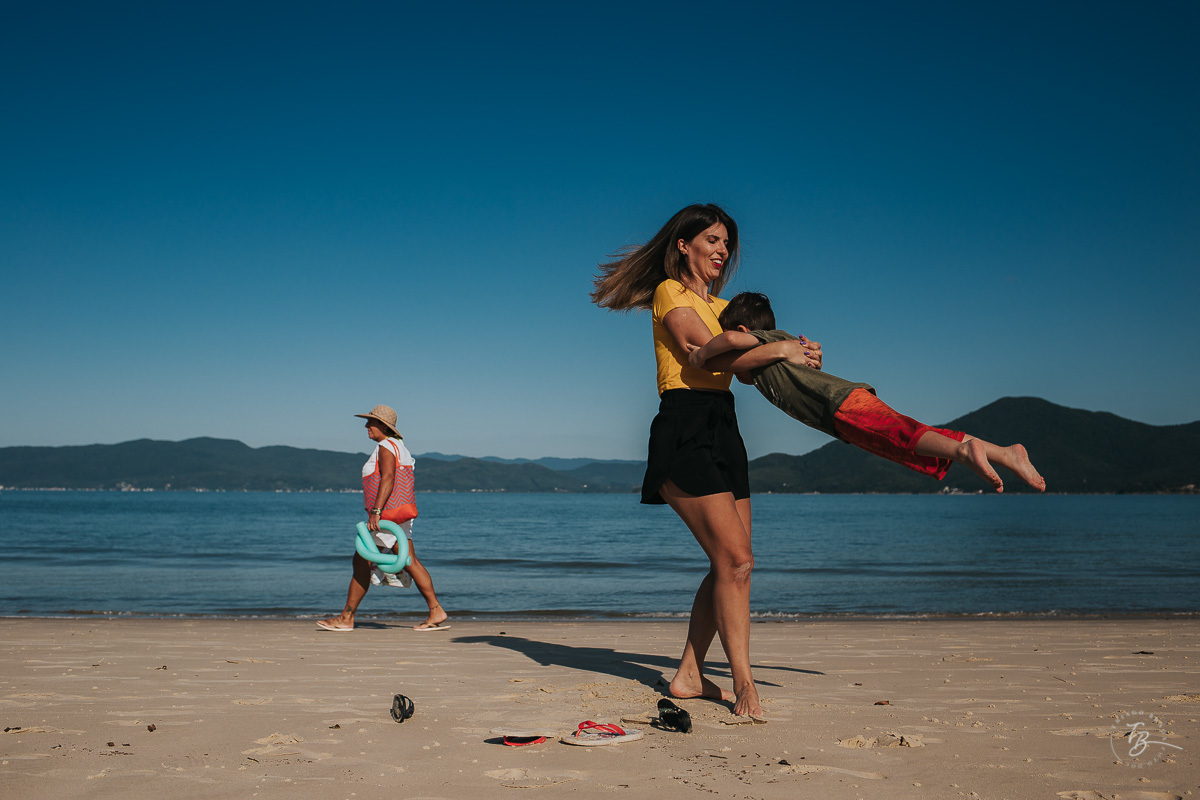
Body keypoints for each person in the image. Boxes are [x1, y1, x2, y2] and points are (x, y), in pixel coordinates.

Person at [591, 204, 820, 720]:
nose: (721, 251)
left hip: (724, 428)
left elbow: (741, 367)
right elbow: (703, 351)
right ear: (684, 244)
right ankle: (744, 686)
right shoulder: (669, 293)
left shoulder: (723, 307)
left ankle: (690, 676)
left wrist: (798, 354)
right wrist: (779, 349)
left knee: (733, 563)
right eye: (712, 240)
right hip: (685, 426)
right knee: (735, 561)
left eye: (726, 244)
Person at [688, 291, 1046, 492]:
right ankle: (1004, 453)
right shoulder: (765, 360)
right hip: (839, 416)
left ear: (742, 326)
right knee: (907, 439)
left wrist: (701, 353)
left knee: (903, 435)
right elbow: (743, 373)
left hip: (841, 403)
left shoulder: (772, 339)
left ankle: (966, 450)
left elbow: (732, 341)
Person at [317, 405, 450, 632]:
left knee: (362, 561)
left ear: (383, 426)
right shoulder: (400, 447)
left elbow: (388, 478)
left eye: (371, 422)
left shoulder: (386, 446)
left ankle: (346, 617)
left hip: (386, 516)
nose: (366, 426)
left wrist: (376, 511)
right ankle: (436, 609)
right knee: (409, 561)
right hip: (399, 515)